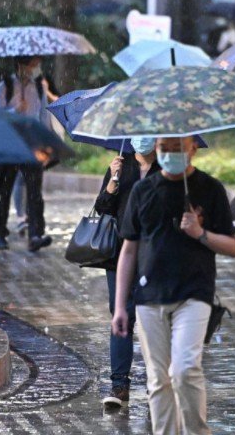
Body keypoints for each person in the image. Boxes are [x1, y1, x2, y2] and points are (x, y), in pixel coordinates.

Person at [112, 136, 235, 435]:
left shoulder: (210, 189)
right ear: (156, 149)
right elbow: (128, 251)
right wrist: (119, 306)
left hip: (194, 293)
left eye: (177, 147)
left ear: (193, 147)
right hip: (149, 296)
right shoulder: (143, 190)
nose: (170, 153)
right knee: (159, 380)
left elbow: (233, 247)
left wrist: (199, 233)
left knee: (184, 370)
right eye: (164, 148)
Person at [92, 137, 160, 409]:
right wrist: (113, 181)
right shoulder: (121, 166)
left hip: (154, 254)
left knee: (153, 317)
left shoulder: (167, 169)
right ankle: (119, 384)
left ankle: (157, 382)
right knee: (121, 315)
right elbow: (103, 206)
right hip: (120, 254)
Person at [0, 56, 54, 252]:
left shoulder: (39, 88)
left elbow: (44, 116)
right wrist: (15, 110)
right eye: (34, 64)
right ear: (21, 65)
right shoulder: (4, 87)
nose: (36, 68)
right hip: (6, 147)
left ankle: (35, 234)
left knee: (35, 192)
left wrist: (48, 144)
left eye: (37, 64)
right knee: (2, 191)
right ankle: (0, 234)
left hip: (32, 146)